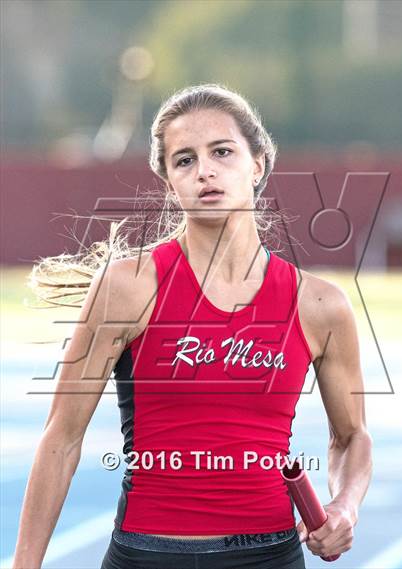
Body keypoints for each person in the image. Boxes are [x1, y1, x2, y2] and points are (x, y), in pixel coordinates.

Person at [13, 84, 372, 569]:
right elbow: (62, 439)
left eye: (222, 151)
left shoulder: (321, 304)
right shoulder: (128, 286)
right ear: (169, 183)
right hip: (147, 556)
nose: (205, 170)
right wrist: (24, 564)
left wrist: (343, 506)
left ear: (258, 163)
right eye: (184, 160)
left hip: (267, 557)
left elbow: (350, 438)